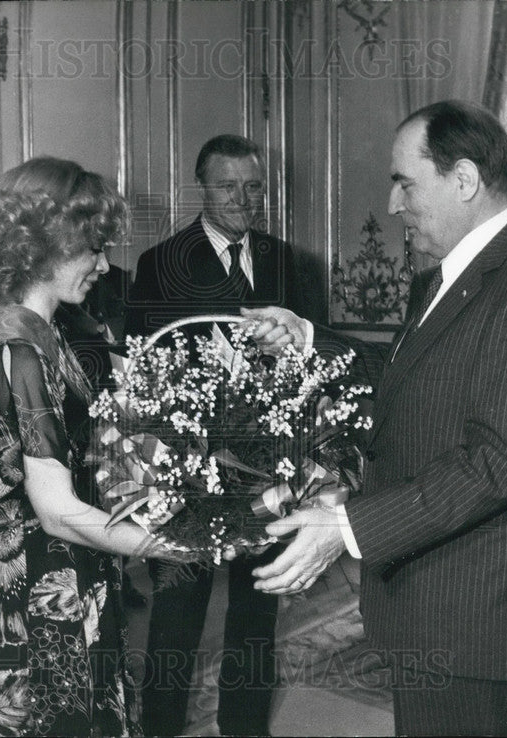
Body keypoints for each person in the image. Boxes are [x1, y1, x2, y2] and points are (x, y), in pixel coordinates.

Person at [246, 100, 507, 736]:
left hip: (478, 614)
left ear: (462, 181)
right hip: (437, 601)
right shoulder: (444, 278)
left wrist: (346, 528)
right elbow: (415, 378)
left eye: (405, 181)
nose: (395, 204)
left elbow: (496, 461)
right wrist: (309, 338)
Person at [0, 156, 194, 737]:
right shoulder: (24, 352)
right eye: (92, 249)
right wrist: (175, 547)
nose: (104, 264)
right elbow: (59, 514)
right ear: (44, 247)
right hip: (46, 586)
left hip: (57, 574)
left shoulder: (39, 333)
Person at [126, 133, 304, 737]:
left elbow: (312, 360)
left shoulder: (289, 262)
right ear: (201, 186)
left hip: (270, 474)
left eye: (253, 186)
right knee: (177, 615)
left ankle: (246, 729)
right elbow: (142, 373)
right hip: (190, 476)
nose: (243, 198)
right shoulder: (161, 264)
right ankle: (160, 730)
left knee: (258, 613)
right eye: (228, 186)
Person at [56, 263, 150, 609]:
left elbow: (132, 325)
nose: (101, 260)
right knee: (86, 492)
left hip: (113, 386)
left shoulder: (120, 278)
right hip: (80, 390)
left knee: (118, 486)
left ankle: (119, 579)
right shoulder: (58, 287)